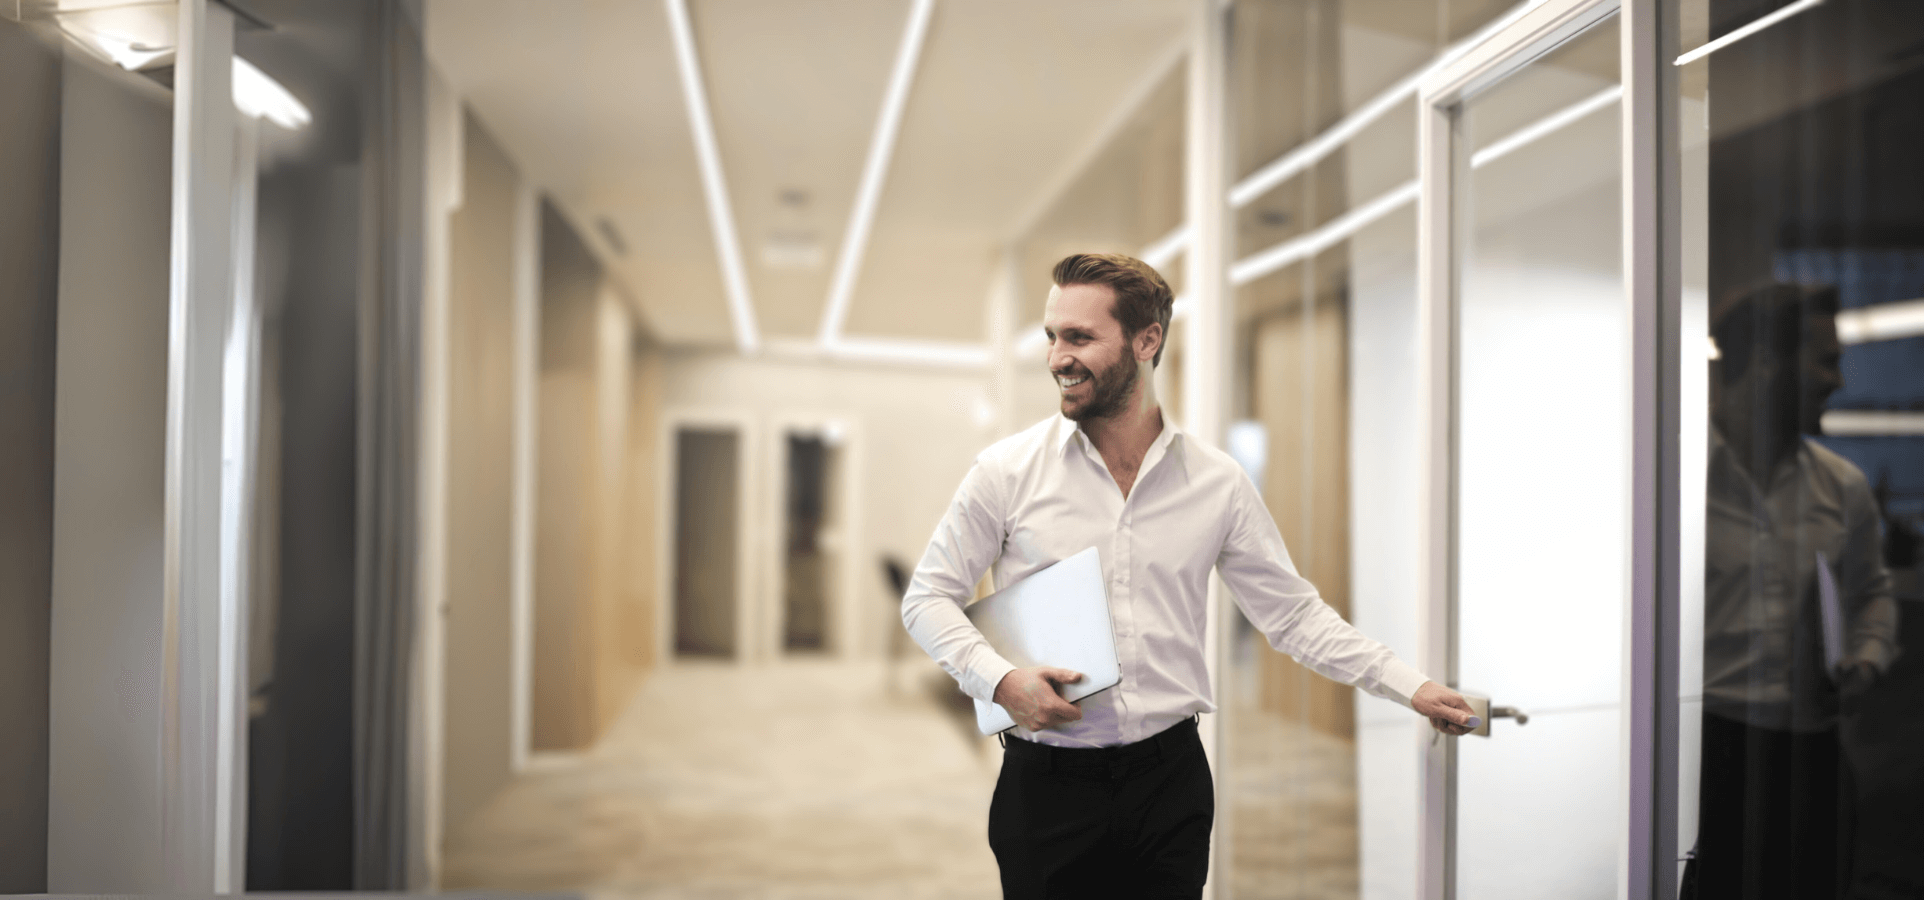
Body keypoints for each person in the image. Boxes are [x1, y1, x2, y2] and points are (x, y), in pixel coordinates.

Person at [899, 253, 1476, 899]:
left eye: (1080, 337)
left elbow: (1291, 615)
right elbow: (928, 598)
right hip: (1047, 787)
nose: (1058, 356)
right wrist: (1000, 681)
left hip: (1168, 782)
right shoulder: (1005, 472)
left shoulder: (1215, 481)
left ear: (1147, 341)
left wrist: (1409, 686)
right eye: (1052, 336)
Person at [1683, 282, 1899, 900]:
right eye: (1824, 360)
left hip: (1811, 755)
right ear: (1767, 364)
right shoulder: (1673, 478)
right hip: (1708, 751)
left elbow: (1872, 592)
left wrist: (1866, 655)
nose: (1839, 382)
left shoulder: (1842, 486)